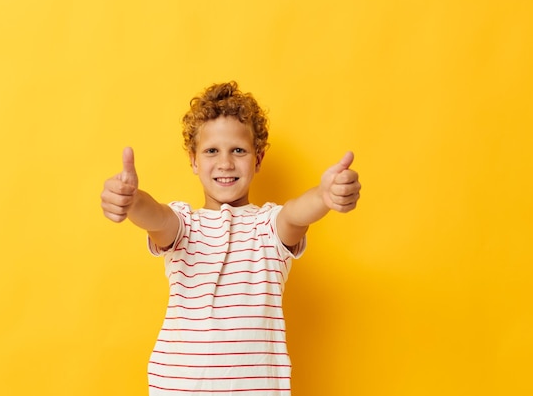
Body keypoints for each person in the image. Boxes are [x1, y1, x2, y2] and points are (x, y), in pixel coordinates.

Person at [100, 81, 361, 395]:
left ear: (258, 159)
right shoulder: (184, 224)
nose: (225, 163)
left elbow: (296, 214)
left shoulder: (268, 226)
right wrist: (131, 200)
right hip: (179, 387)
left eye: (238, 150)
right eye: (212, 151)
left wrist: (325, 195)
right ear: (194, 161)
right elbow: (155, 216)